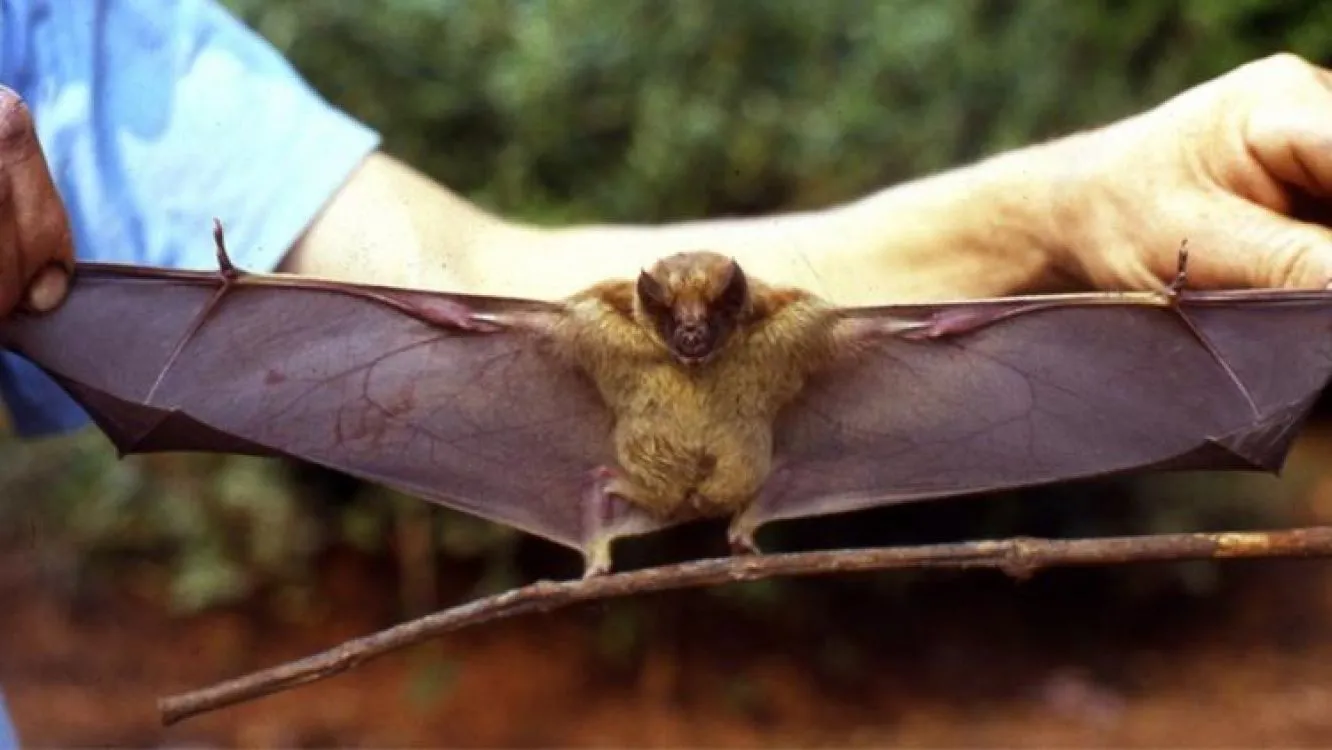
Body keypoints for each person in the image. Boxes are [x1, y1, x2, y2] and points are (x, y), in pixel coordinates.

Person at [3, 0, 1332, 744]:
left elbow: (457, 278)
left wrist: (1065, 213)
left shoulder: (56, 33)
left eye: (715, 321)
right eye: (671, 318)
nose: (693, 335)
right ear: (643, 310)